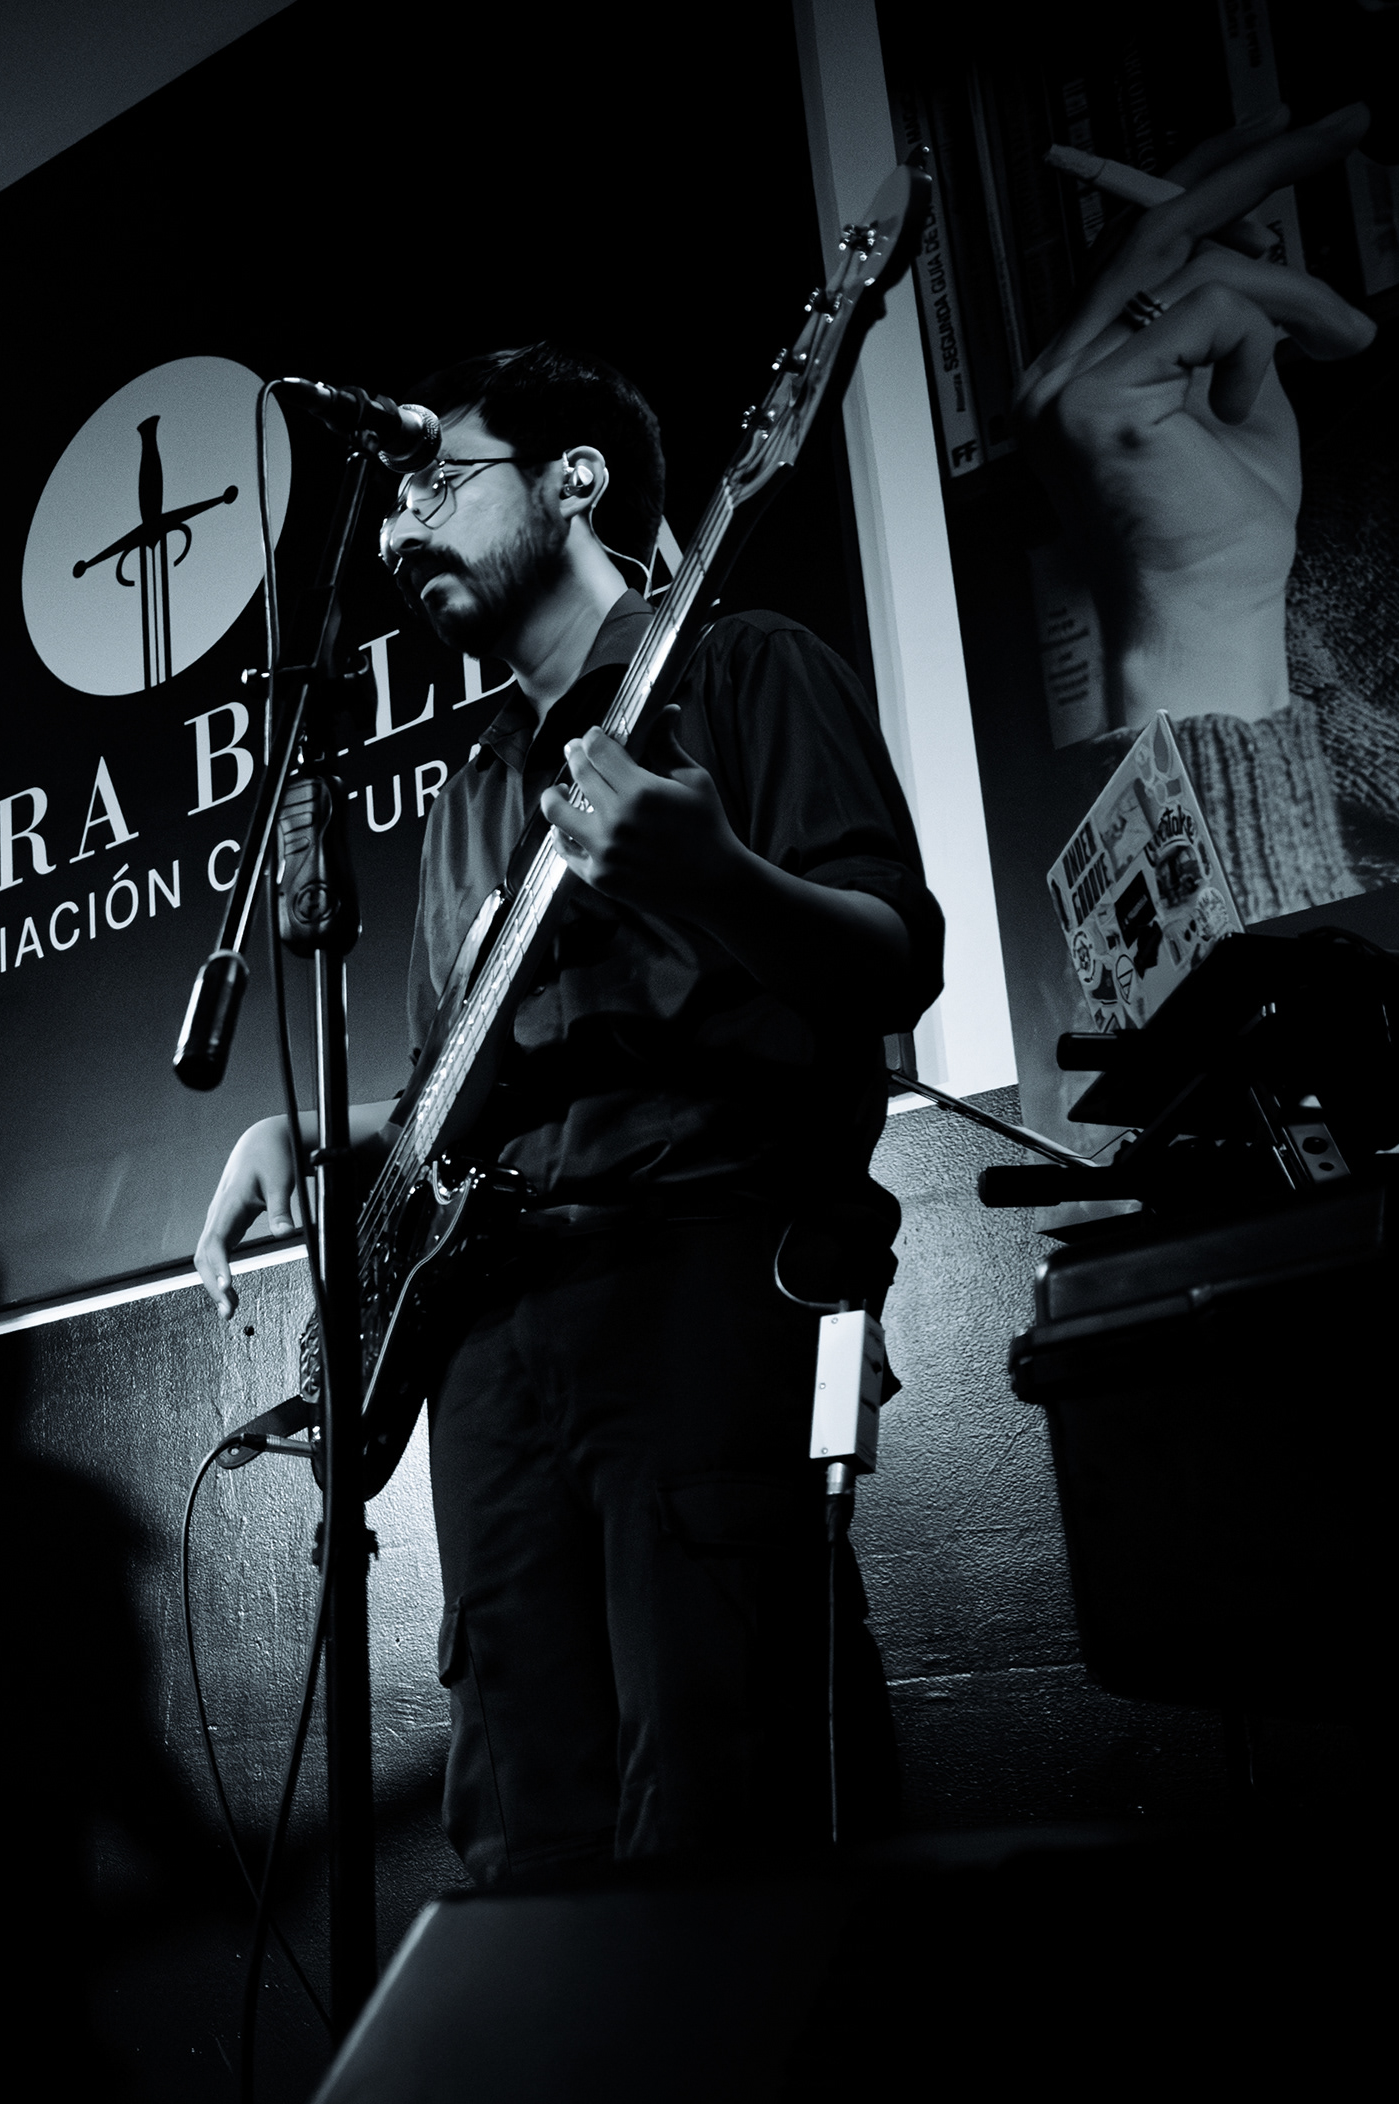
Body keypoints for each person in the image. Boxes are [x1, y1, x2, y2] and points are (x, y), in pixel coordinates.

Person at [194, 344, 944, 1884]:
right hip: (492, 1340)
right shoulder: (473, 791)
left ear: (574, 479)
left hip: (698, 1281)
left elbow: (896, 957)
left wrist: (715, 877)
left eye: (435, 481)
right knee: (525, 1822)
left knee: (726, 1790)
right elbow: (468, 1088)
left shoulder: (742, 669)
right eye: (390, 506)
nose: (396, 529)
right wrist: (318, 1140)